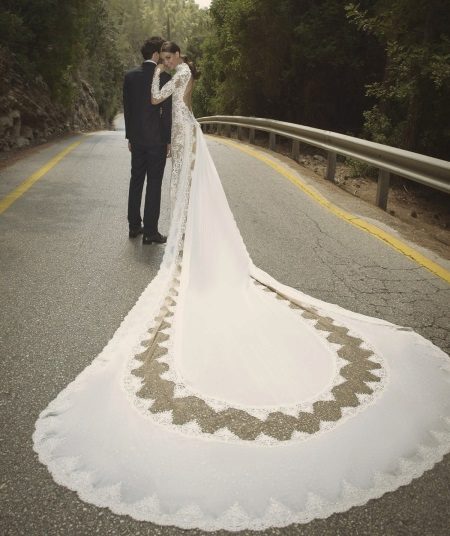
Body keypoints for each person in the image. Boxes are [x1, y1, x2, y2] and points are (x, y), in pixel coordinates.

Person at [34, 42, 450, 532]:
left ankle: (182, 238)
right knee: (184, 190)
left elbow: (155, 100)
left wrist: (160, 78)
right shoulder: (181, 72)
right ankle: (181, 235)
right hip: (186, 134)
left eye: (170, 55)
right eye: (164, 56)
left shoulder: (174, 73)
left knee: (183, 188)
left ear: (175, 57)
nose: (167, 60)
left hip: (185, 134)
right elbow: (169, 102)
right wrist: (165, 94)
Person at [123, 37, 171, 244]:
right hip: (157, 140)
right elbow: (167, 114)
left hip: (137, 139)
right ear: (155, 54)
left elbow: (128, 110)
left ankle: (134, 226)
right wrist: (168, 140)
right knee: (154, 183)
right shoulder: (163, 77)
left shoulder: (130, 76)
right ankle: (150, 232)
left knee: (136, 180)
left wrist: (130, 137)